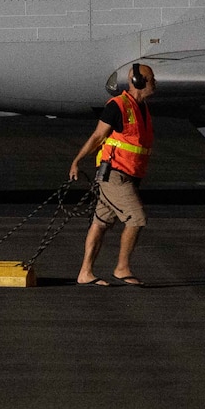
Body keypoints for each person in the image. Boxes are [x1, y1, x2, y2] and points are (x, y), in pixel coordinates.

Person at [67, 62, 156, 285]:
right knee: (136, 218)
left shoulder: (142, 108)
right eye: (151, 80)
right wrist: (77, 161)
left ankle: (85, 273)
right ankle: (122, 268)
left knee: (100, 222)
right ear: (138, 82)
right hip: (114, 174)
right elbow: (97, 137)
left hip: (130, 176)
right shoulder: (117, 106)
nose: (155, 84)